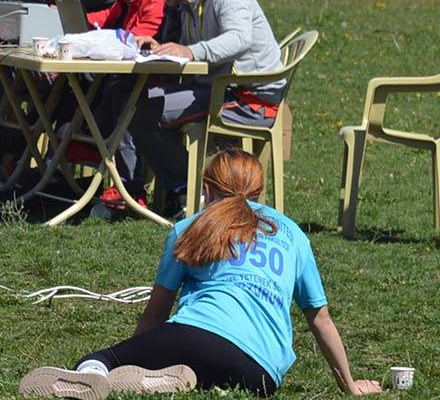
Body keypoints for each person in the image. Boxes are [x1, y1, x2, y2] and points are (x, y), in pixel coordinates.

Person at [19, 150, 382, 399]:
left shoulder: (190, 227)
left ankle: (98, 376)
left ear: (207, 189)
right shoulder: (292, 234)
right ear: (259, 190)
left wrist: (129, 354)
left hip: (197, 335)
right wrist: (348, 385)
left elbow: (156, 312)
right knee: (201, 375)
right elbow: (321, 319)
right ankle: (167, 381)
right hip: (262, 373)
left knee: (100, 361)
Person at [127, 0, 284, 200]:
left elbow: (239, 39)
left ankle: (191, 193)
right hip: (223, 89)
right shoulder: (192, 3)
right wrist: (164, 48)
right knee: (138, 101)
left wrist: (190, 52)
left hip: (250, 101)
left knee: (144, 112)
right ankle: (187, 191)